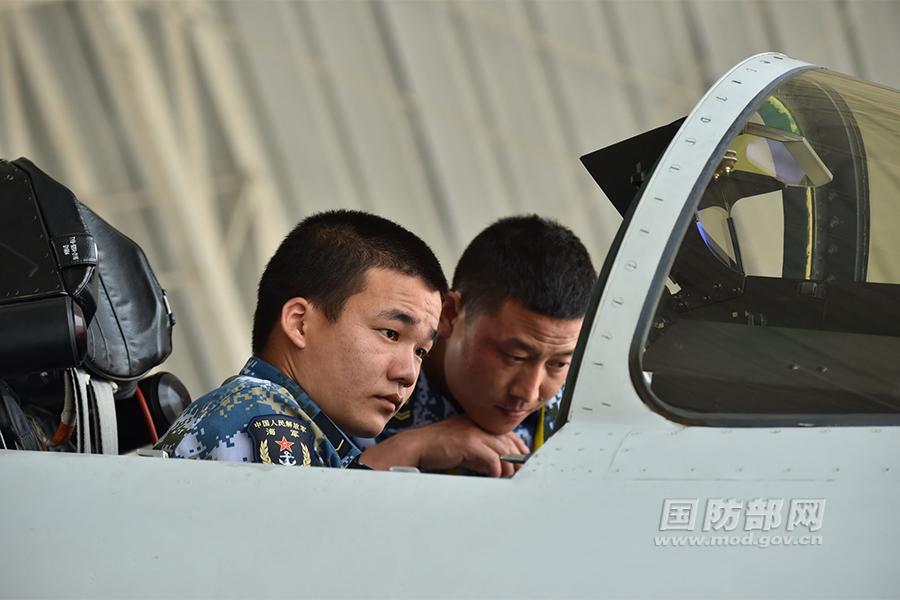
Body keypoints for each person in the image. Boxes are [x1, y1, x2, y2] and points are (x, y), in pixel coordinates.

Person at [154, 210, 447, 468]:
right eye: (390, 333)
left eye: (421, 351)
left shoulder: (298, 428)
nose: (409, 374)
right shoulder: (263, 418)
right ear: (299, 323)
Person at [360, 215, 595, 477]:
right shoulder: (372, 380)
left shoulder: (586, 415)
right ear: (449, 314)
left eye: (558, 363)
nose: (528, 393)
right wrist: (413, 447)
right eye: (514, 356)